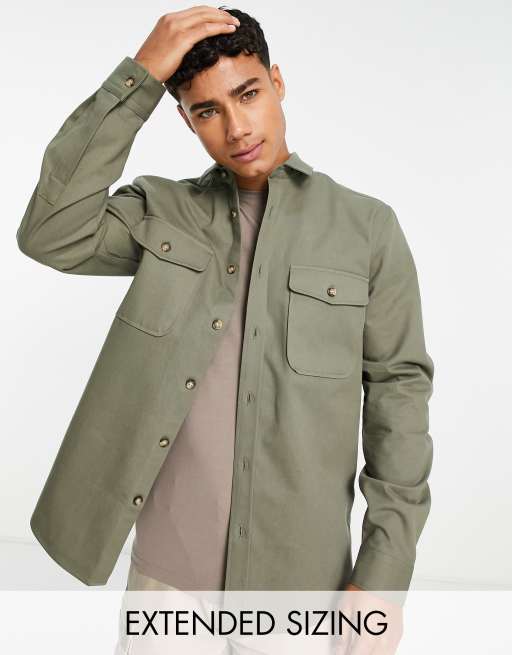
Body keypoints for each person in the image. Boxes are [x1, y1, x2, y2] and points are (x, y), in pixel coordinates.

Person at [17, 5, 433, 653]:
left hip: (299, 589)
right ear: (185, 119)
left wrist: (383, 576)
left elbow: (398, 399)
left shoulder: (366, 229)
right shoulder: (163, 211)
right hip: (168, 581)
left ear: (277, 82)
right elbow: (50, 232)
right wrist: (138, 77)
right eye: (207, 110)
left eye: (248, 94)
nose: (236, 128)